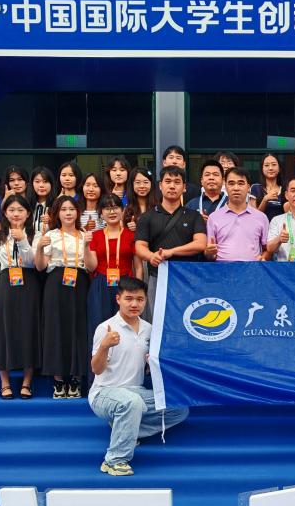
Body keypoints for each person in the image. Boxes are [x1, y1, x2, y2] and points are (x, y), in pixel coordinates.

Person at [89, 276, 188, 477]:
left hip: (136, 392)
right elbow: (96, 370)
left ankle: (125, 428)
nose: (134, 304)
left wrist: (152, 363)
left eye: (140, 299)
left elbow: (149, 369)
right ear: (118, 299)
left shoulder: (149, 329)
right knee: (131, 403)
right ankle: (114, 460)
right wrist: (104, 346)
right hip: (104, 392)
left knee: (179, 408)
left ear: (145, 301)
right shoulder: (106, 328)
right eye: (129, 298)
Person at [35, 195, 96, 399]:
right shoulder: (50, 235)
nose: (68, 213)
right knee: (56, 328)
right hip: (55, 282)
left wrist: (86, 246)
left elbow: (92, 267)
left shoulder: (85, 234)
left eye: (71, 209)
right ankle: (58, 380)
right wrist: (39, 248)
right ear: (57, 213)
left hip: (80, 282)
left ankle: (76, 378)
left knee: (78, 328)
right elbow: (40, 267)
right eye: (63, 209)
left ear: (78, 212)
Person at [0, 194, 40, 399]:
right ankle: (5, 382)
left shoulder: (36, 235)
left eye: (20, 210)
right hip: (6, 283)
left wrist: (23, 240)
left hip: (30, 284)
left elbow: (34, 262)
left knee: (29, 330)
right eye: (11, 210)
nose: (16, 214)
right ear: (5, 213)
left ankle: (27, 382)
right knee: (3, 330)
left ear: (28, 213)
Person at [134, 166, 208, 317]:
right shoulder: (147, 217)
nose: (172, 186)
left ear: (184, 187)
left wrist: (171, 252)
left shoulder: (194, 216)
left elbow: (200, 244)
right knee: (158, 320)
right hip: (158, 276)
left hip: (188, 278)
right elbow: (140, 246)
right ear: (160, 186)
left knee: (189, 320)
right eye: (167, 181)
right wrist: (151, 256)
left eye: (177, 182)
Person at [88, 194, 136, 347]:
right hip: (101, 285)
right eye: (107, 209)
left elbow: (138, 266)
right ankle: (99, 360)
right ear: (101, 213)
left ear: (122, 210)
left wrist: (136, 289)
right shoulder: (95, 236)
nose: (112, 212)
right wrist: (85, 247)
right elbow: (91, 267)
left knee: (126, 325)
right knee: (100, 326)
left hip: (126, 284)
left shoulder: (131, 235)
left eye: (115, 207)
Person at [204, 168, 270, 262]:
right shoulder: (214, 218)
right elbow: (210, 255)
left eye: (241, 183)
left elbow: (267, 249)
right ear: (225, 186)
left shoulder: (261, 217)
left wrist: (263, 258)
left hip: (252, 269)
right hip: (222, 269)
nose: (236, 188)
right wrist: (209, 253)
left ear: (248, 187)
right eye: (231, 183)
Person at [251, 153, 285, 221]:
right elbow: (253, 217)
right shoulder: (255, 188)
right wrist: (265, 199)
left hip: (279, 227)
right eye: (266, 165)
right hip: (261, 227)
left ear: (279, 168)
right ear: (262, 169)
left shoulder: (285, 190)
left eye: (274, 164)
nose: (270, 168)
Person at [27, 166, 55, 234]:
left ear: (51, 184)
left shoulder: (57, 204)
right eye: (37, 181)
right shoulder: (26, 204)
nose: (41, 185)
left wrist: (53, 222)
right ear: (32, 183)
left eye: (45, 181)